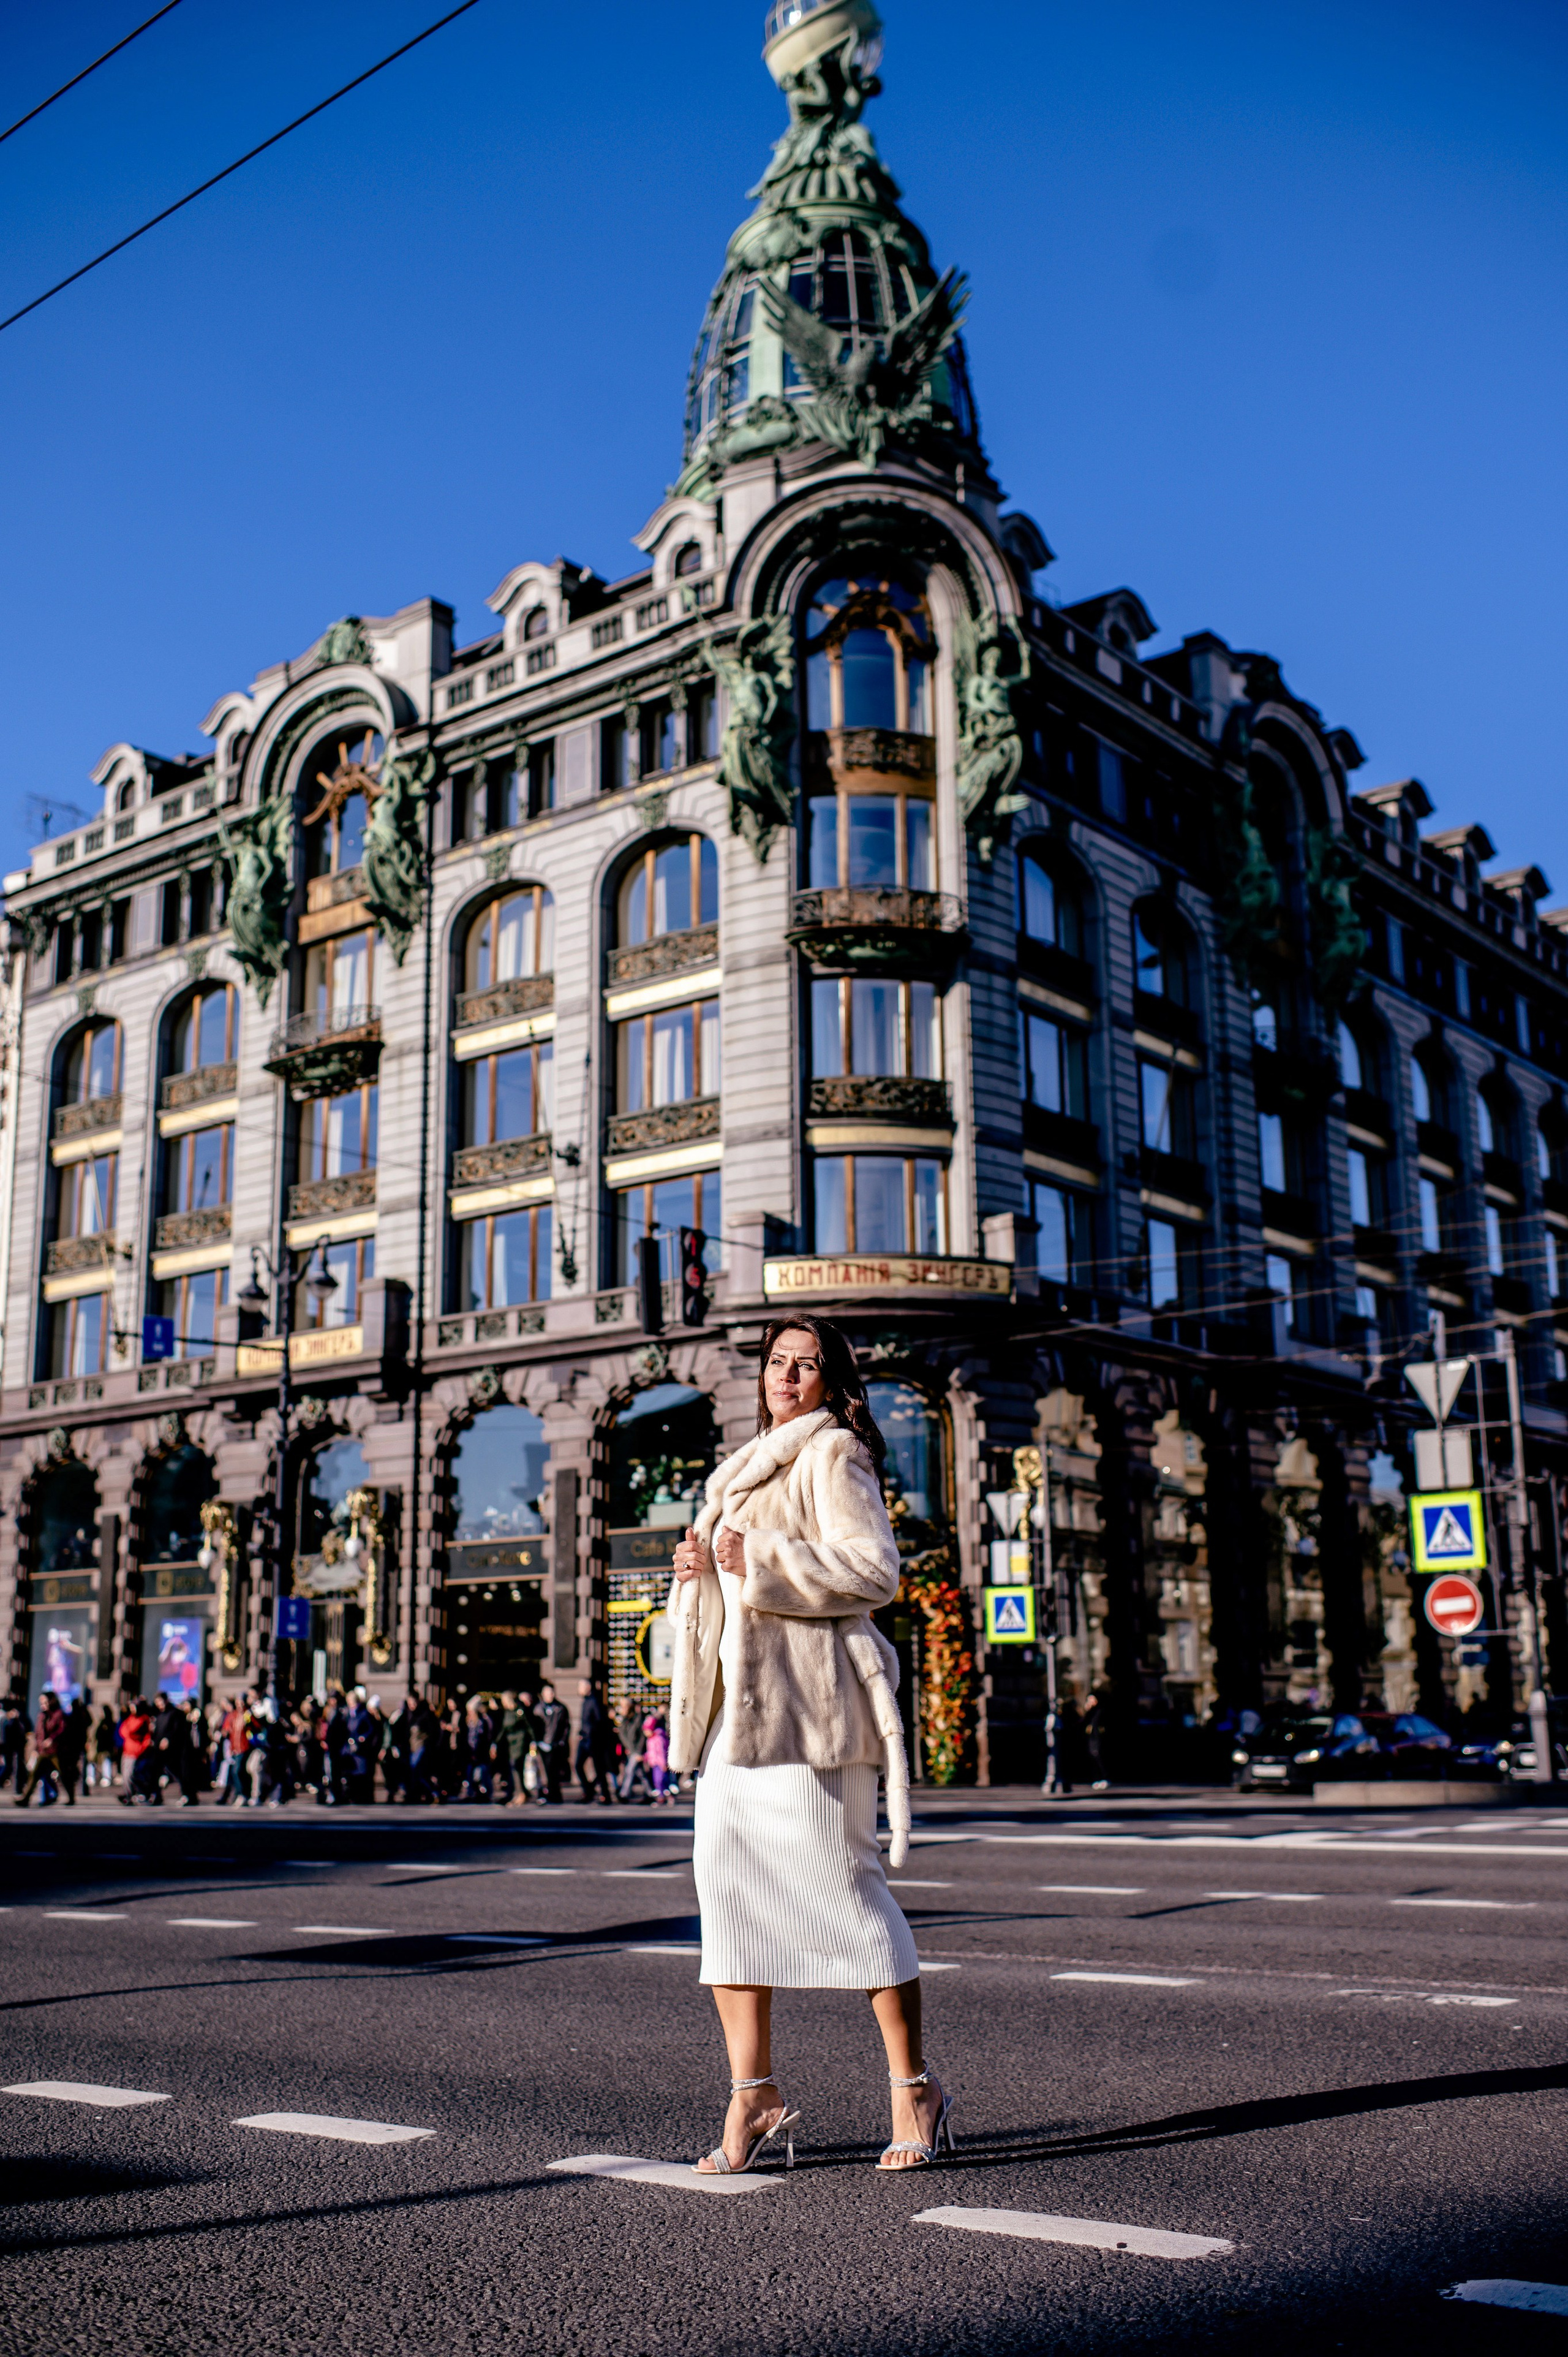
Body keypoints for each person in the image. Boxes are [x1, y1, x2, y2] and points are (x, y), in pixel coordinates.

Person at [669, 1315, 951, 2176]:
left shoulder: (835, 1454)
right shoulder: (742, 1468)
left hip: (815, 1714)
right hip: (737, 1727)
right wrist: (700, 1573)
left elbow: (874, 1570)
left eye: (808, 1364)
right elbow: (734, 1594)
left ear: (831, 1380)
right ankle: (751, 2090)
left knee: (852, 1900)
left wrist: (759, 1555)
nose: (788, 1375)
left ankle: (915, 2087)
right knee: (727, 1902)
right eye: (778, 1362)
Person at [15, 1689, 65, 1807]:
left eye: (44, 1702)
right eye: (41, 1702)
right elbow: (38, 1733)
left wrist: (52, 1739)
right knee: (35, 1774)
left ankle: (69, 1797)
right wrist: (37, 1748)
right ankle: (26, 1798)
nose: (42, 1705)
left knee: (64, 1773)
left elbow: (61, 1730)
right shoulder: (41, 1716)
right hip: (43, 1751)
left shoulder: (58, 1714)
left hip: (55, 1751)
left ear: (51, 1702)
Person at [576, 1679, 615, 1805]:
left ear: (587, 1687)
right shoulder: (586, 1701)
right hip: (585, 1739)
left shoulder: (594, 1701)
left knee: (599, 1769)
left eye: (580, 1687)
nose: (579, 1689)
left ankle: (605, 1795)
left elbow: (598, 1721)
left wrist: (590, 1734)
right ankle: (589, 1791)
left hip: (593, 1740)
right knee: (578, 1765)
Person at [117, 1697, 156, 1804]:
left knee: (131, 1775)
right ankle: (129, 1795)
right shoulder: (130, 1718)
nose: (132, 1710)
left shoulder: (143, 1719)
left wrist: (140, 1746)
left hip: (136, 1751)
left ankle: (142, 1792)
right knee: (125, 1776)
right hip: (127, 1750)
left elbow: (130, 1731)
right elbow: (122, 1731)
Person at [536, 1683, 569, 1804]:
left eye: (552, 1692)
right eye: (548, 1693)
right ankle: (544, 1794)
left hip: (555, 1745)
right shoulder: (538, 1709)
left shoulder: (560, 1708)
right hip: (542, 1744)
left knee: (554, 1772)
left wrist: (561, 1742)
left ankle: (555, 1795)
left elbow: (566, 1727)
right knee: (542, 1772)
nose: (550, 1695)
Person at [89, 1698, 119, 1794]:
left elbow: (113, 1734)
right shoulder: (99, 1722)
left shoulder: (110, 1722)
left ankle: (107, 1777)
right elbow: (95, 1734)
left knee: (107, 1761)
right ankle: (93, 1777)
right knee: (93, 1761)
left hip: (107, 1745)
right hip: (99, 1745)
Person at [643, 1707, 672, 1804]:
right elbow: (651, 1751)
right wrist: (647, 1758)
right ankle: (662, 1795)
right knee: (657, 1780)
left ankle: (664, 1795)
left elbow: (661, 1752)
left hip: (660, 1763)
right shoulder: (651, 1739)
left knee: (661, 1780)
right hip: (654, 1762)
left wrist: (663, 1764)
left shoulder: (659, 1739)